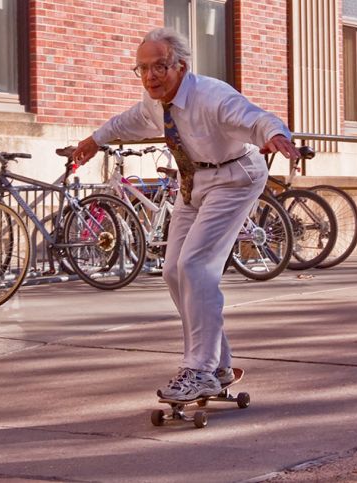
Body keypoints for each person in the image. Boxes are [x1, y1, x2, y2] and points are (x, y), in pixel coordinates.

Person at [72, 27, 301, 401]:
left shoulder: (212, 96)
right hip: (193, 180)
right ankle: (220, 363)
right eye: (142, 69)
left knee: (195, 265)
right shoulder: (153, 103)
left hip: (235, 177)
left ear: (181, 66)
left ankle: (199, 369)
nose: (150, 77)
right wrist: (94, 140)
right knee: (173, 270)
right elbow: (124, 122)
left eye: (159, 67)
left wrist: (276, 134)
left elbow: (256, 118)